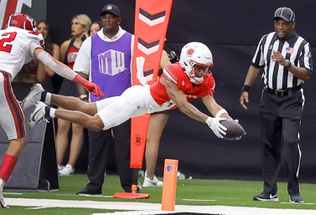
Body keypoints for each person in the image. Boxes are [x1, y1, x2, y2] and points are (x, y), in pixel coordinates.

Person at [25, 42, 238, 158]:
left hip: (141, 101)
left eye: (205, 68)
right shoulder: (174, 73)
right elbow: (182, 105)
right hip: (138, 101)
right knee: (95, 123)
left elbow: (213, 105)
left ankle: (43, 94)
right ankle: (46, 111)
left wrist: (225, 118)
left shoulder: (204, 80)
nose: (202, 72)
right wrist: (209, 122)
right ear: (186, 63)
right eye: (199, 67)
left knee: (88, 107)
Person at [0, 12, 102, 208]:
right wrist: (84, 82)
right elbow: (53, 64)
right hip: (1, 79)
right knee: (18, 139)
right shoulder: (27, 37)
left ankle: (33, 99)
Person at [239, 7, 312, 203]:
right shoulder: (266, 40)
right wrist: (246, 87)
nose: (280, 26)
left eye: (284, 23)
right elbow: (256, 64)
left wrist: (286, 63)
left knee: (289, 141)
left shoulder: (302, 45)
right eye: (277, 22)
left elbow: (307, 74)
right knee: (269, 144)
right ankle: (269, 191)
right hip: (269, 97)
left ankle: (294, 191)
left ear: (292, 24)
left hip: (291, 98)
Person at [73, 4, 136, 194]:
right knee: (97, 146)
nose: (107, 19)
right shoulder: (91, 42)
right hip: (98, 104)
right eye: (104, 16)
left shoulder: (131, 40)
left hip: (124, 102)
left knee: (124, 146)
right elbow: (80, 72)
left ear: (119, 20)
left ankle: (129, 185)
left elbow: (139, 69)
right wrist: (84, 98)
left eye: (111, 16)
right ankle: (94, 185)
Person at [57, 14, 91, 176]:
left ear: (85, 26)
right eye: (72, 23)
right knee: (62, 127)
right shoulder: (66, 44)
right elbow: (61, 65)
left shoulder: (90, 43)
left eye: (77, 23)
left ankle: (70, 165)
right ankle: (57, 163)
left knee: (77, 127)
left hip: (81, 88)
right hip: (67, 86)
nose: (73, 26)